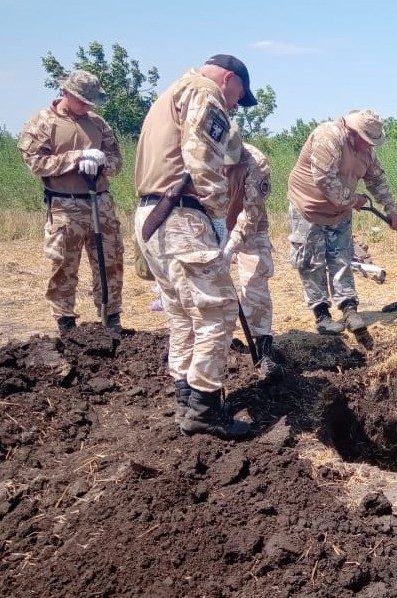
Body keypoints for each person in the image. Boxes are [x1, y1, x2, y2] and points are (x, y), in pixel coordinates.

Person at [134, 54, 258, 440]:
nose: (237, 103)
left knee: (184, 314)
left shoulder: (169, 94)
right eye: (240, 94)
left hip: (152, 215)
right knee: (217, 310)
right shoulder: (205, 91)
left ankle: (186, 401)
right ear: (228, 78)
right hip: (182, 215)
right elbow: (201, 155)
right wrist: (217, 211)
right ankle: (204, 410)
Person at [17, 69, 124, 337]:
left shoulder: (98, 124)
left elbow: (116, 161)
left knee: (110, 261)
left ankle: (111, 318)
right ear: (66, 93)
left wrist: (102, 162)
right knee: (64, 265)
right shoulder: (42, 123)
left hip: (101, 203)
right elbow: (36, 163)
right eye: (82, 100)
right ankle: (66, 324)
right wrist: (76, 158)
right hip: (65, 206)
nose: (87, 106)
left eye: (90, 102)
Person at [287, 109, 397, 336]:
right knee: (311, 262)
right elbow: (323, 179)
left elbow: (377, 179)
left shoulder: (366, 151)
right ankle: (322, 315)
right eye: (367, 140)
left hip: (340, 211)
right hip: (309, 207)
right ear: (353, 132)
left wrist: (392, 210)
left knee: (342, 258)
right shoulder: (328, 136)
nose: (370, 146)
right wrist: (353, 200)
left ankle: (349, 309)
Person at [221, 125, 278, 379]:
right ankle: (222, 343)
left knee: (255, 282)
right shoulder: (200, 154)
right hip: (212, 223)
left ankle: (262, 347)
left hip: (250, 228)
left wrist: (232, 245)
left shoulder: (256, 162)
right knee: (211, 287)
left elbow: (252, 212)